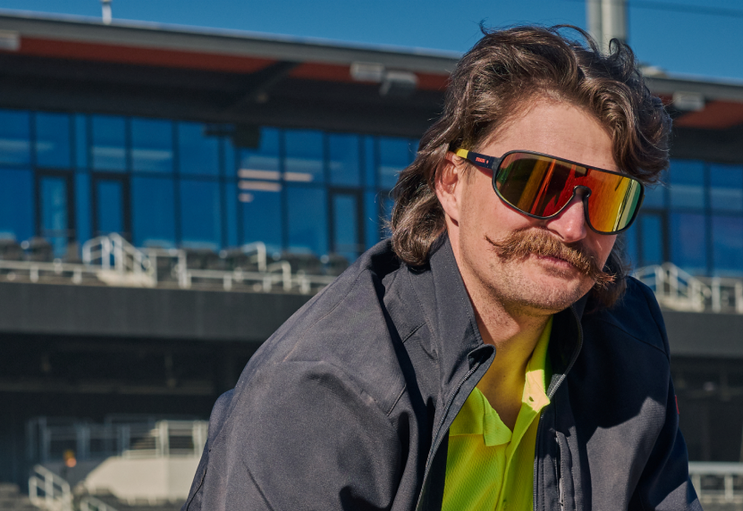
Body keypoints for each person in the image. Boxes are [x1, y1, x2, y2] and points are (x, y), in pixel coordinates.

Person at [182, 25, 700, 511]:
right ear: (451, 183)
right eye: (538, 183)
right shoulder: (324, 389)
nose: (571, 226)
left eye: (607, 197)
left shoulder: (631, 344)